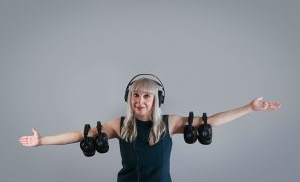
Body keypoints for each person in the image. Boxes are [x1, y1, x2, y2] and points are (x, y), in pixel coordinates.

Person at [19, 74, 281, 182]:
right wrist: (43, 140)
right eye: (135, 95)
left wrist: (249, 108)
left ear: (156, 100)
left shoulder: (171, 123)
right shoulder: (119, 126)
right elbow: (78, 135)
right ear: (129, 98)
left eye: (146, 96)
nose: (139, 101)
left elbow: (211, 120)